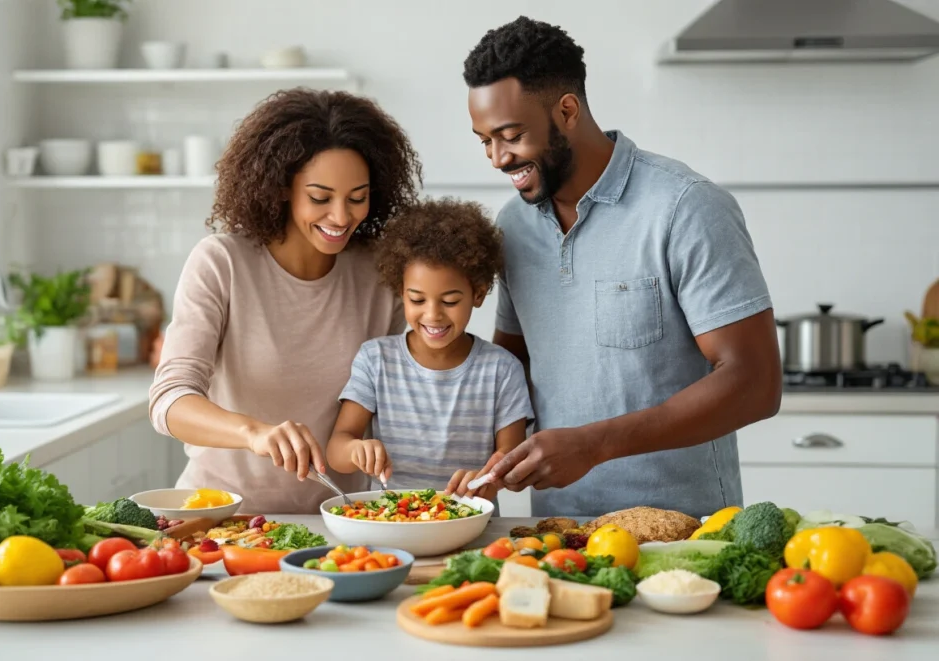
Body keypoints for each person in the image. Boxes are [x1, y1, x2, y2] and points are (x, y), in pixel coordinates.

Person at [461, 17, 783, 519]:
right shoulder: (514, 225)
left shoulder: (685, 208)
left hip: (686, 532)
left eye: (511, 136)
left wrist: (595, 445)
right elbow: (512, 368)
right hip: (557, 530)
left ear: (566, 110)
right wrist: (498, 454)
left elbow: (756, 383)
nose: (497, 158)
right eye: (484, 140)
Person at [149, 88, 423, 513]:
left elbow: (386, 400)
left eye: (357, 198)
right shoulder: (222, 262)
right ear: (280, 188)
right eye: (320, 197)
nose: (341, 217)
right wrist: (253, 433)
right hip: (223, 517)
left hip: (339, 519)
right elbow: (169, 401)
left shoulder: (379, 274)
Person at [326, 198, 534, 503]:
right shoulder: (376, 360)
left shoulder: (501, 369)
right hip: (392, 524)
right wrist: (355, 450)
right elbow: (336, 449)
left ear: (477, 293)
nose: (433, 315)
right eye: (417, 300)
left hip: (472, 525)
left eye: (449, 301)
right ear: (401, 293)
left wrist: (489, 478)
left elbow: (511, 456)